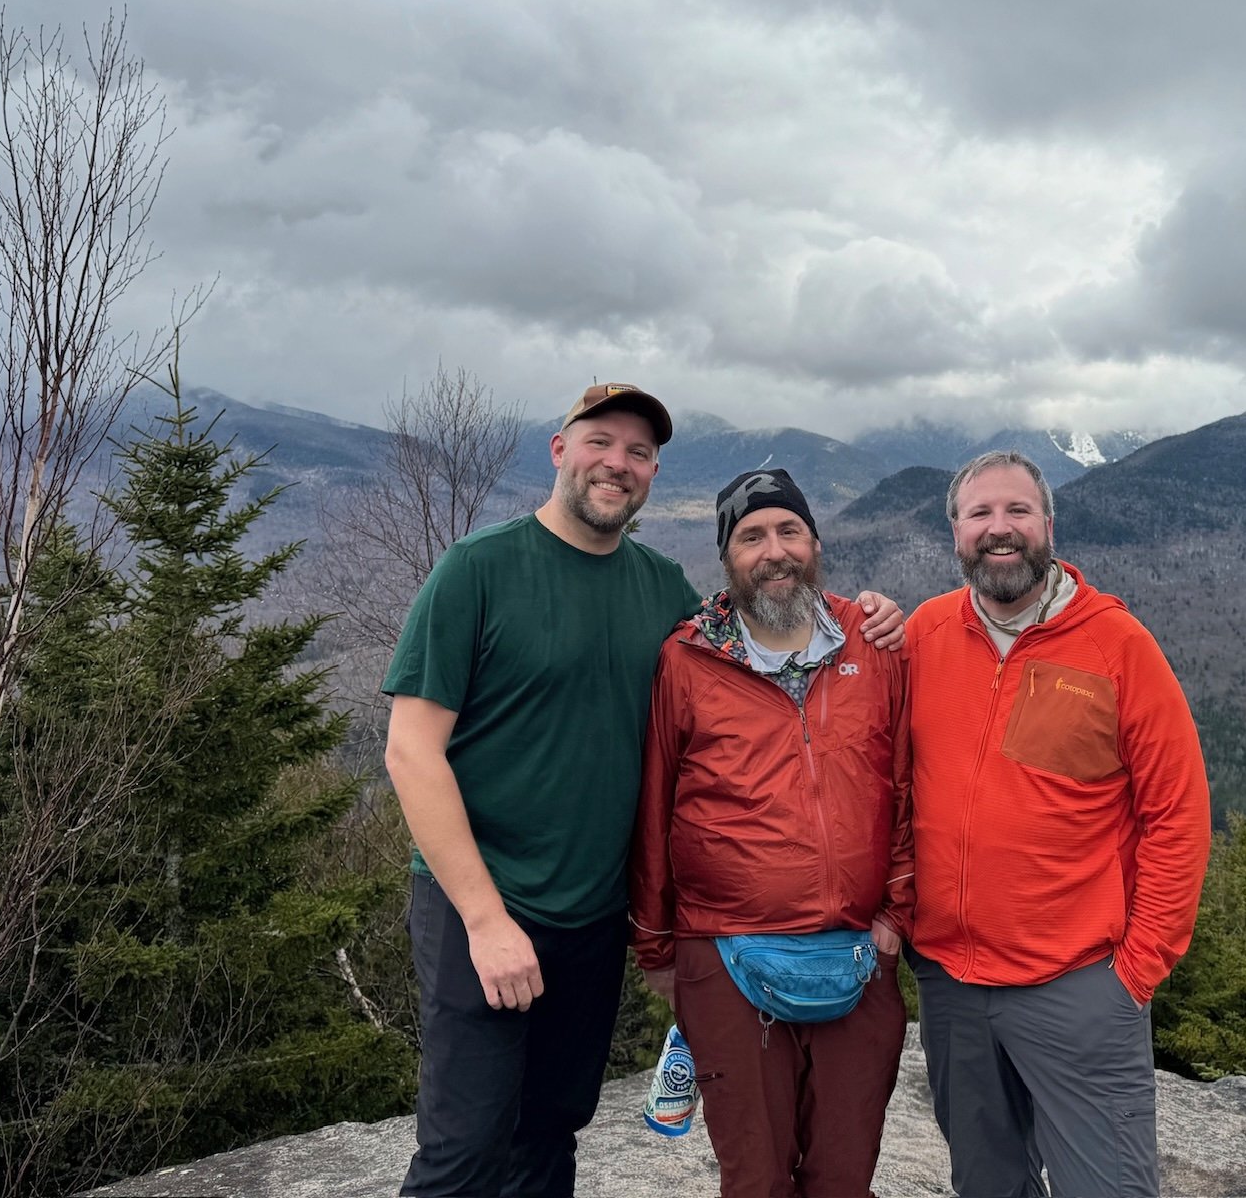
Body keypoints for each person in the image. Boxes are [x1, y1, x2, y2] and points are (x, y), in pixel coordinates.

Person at [381, 385, 904, 1198]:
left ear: (654, 472)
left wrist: (871, 616)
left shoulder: (661, 591)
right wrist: (485, 921)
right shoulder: (478, 569)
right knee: (464, 1146)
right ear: (560, 450)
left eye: (638, 452)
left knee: (549, 1131)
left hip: (592, 914)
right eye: (600, 442)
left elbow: (752, 656)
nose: (617, 464)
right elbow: (411, 752)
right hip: (482, 904)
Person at [904, 449, 1210, 1198]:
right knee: (987, 1185)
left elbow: (1177, 812)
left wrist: (1136, 971)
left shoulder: (1117, 646)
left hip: (1077, 986)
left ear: (1048, 524)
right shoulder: (925, 635)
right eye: (979, 513)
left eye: (1017, 511)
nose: (999, 528)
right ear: (955, 533)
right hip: (951, 984)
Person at [630, 468, 911, 1198]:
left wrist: (895, 916)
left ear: (815, 543)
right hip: (724, 955)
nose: (775, 550)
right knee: (754, 1178)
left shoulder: (874, 644)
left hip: (858, 953)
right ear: (728, 557)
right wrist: (657, 947)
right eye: (752, 536)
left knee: (845, 1176)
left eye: (790, 530)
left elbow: (909, 788)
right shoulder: (689, 658)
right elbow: (655, 809)